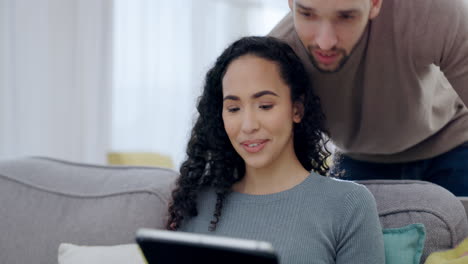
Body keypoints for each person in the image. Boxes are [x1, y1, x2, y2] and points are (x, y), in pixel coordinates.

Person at [166, 36, 384, 264]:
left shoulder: (348, 204)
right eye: (233, 108)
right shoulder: (197, 202)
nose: (248, 125)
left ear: (296, 110)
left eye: (265, 106)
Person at [269, 0, 468, 196]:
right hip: (358, 158)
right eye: (307, 14)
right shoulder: (276, 55)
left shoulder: (435, 11)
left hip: (453, 142)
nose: (325, 42)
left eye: (346, 16)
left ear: (374, 4)